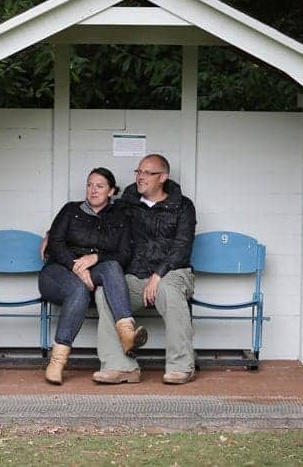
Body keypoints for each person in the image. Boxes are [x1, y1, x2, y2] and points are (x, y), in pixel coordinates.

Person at [92, 154, 197, 385]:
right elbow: (95, 221)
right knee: (104, 292)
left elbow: (182, 247)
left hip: (173, 273)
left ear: (163, 177)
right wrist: (52, 234)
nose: (140, 177)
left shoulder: (183, 206)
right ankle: (121, 366)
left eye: (147, 173)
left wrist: (158, 276)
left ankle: (181, 366)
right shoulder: (126, 204)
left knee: (169, 290)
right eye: (138, 171)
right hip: (137, 277)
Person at [39, 167, 147, 385]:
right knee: (77, 290)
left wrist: (95, 258)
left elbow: (124, 254)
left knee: (112, 267)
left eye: (99, 186)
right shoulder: (71, 210)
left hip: (94, 270)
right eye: (89, 185)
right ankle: (57, 362)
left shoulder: (120, 217)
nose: (93, 190)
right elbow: (55, 244)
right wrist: (75, 266)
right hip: (57, 272)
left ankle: (127, 334)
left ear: (111, 191)